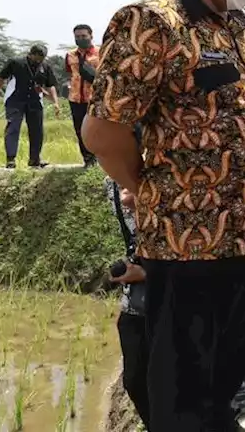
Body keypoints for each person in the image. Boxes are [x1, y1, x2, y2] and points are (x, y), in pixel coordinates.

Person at [82, 0, 245, 432]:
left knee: (226, 367)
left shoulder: (235, 26)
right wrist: (147, 190)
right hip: (188, 237)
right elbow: (103, 132)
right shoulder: (152, 22)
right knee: (183, 381)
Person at [106, 175, 150, 429]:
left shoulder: (173, 173)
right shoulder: (111, 184)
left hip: (180, 296)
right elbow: (133, 238)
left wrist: (148, 273)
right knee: (134, 380)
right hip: (138, 300)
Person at [0, 44, 60, 169]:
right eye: (36, 58)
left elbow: (50, 85)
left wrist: (55, 102)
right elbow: (0, 79)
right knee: (13, 127)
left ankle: (35, 160)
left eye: (41, 59)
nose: (38, 61)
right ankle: (10, 159)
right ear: (30, 54)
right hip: (15, 100)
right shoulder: (16, 63)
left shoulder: (45, 67)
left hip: (35, 101)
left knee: (37, 130)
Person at [66, 24, 100, 167]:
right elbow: (70, 73)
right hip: (75, 99)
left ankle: (102, 160)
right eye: (77, 37)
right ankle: (88, 160)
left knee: (97, 131)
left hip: (95, 98)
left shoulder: (101, 52)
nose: (80, 39)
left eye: (83, 36)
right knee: (80, 130)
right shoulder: (70, 55)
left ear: (91, 36)